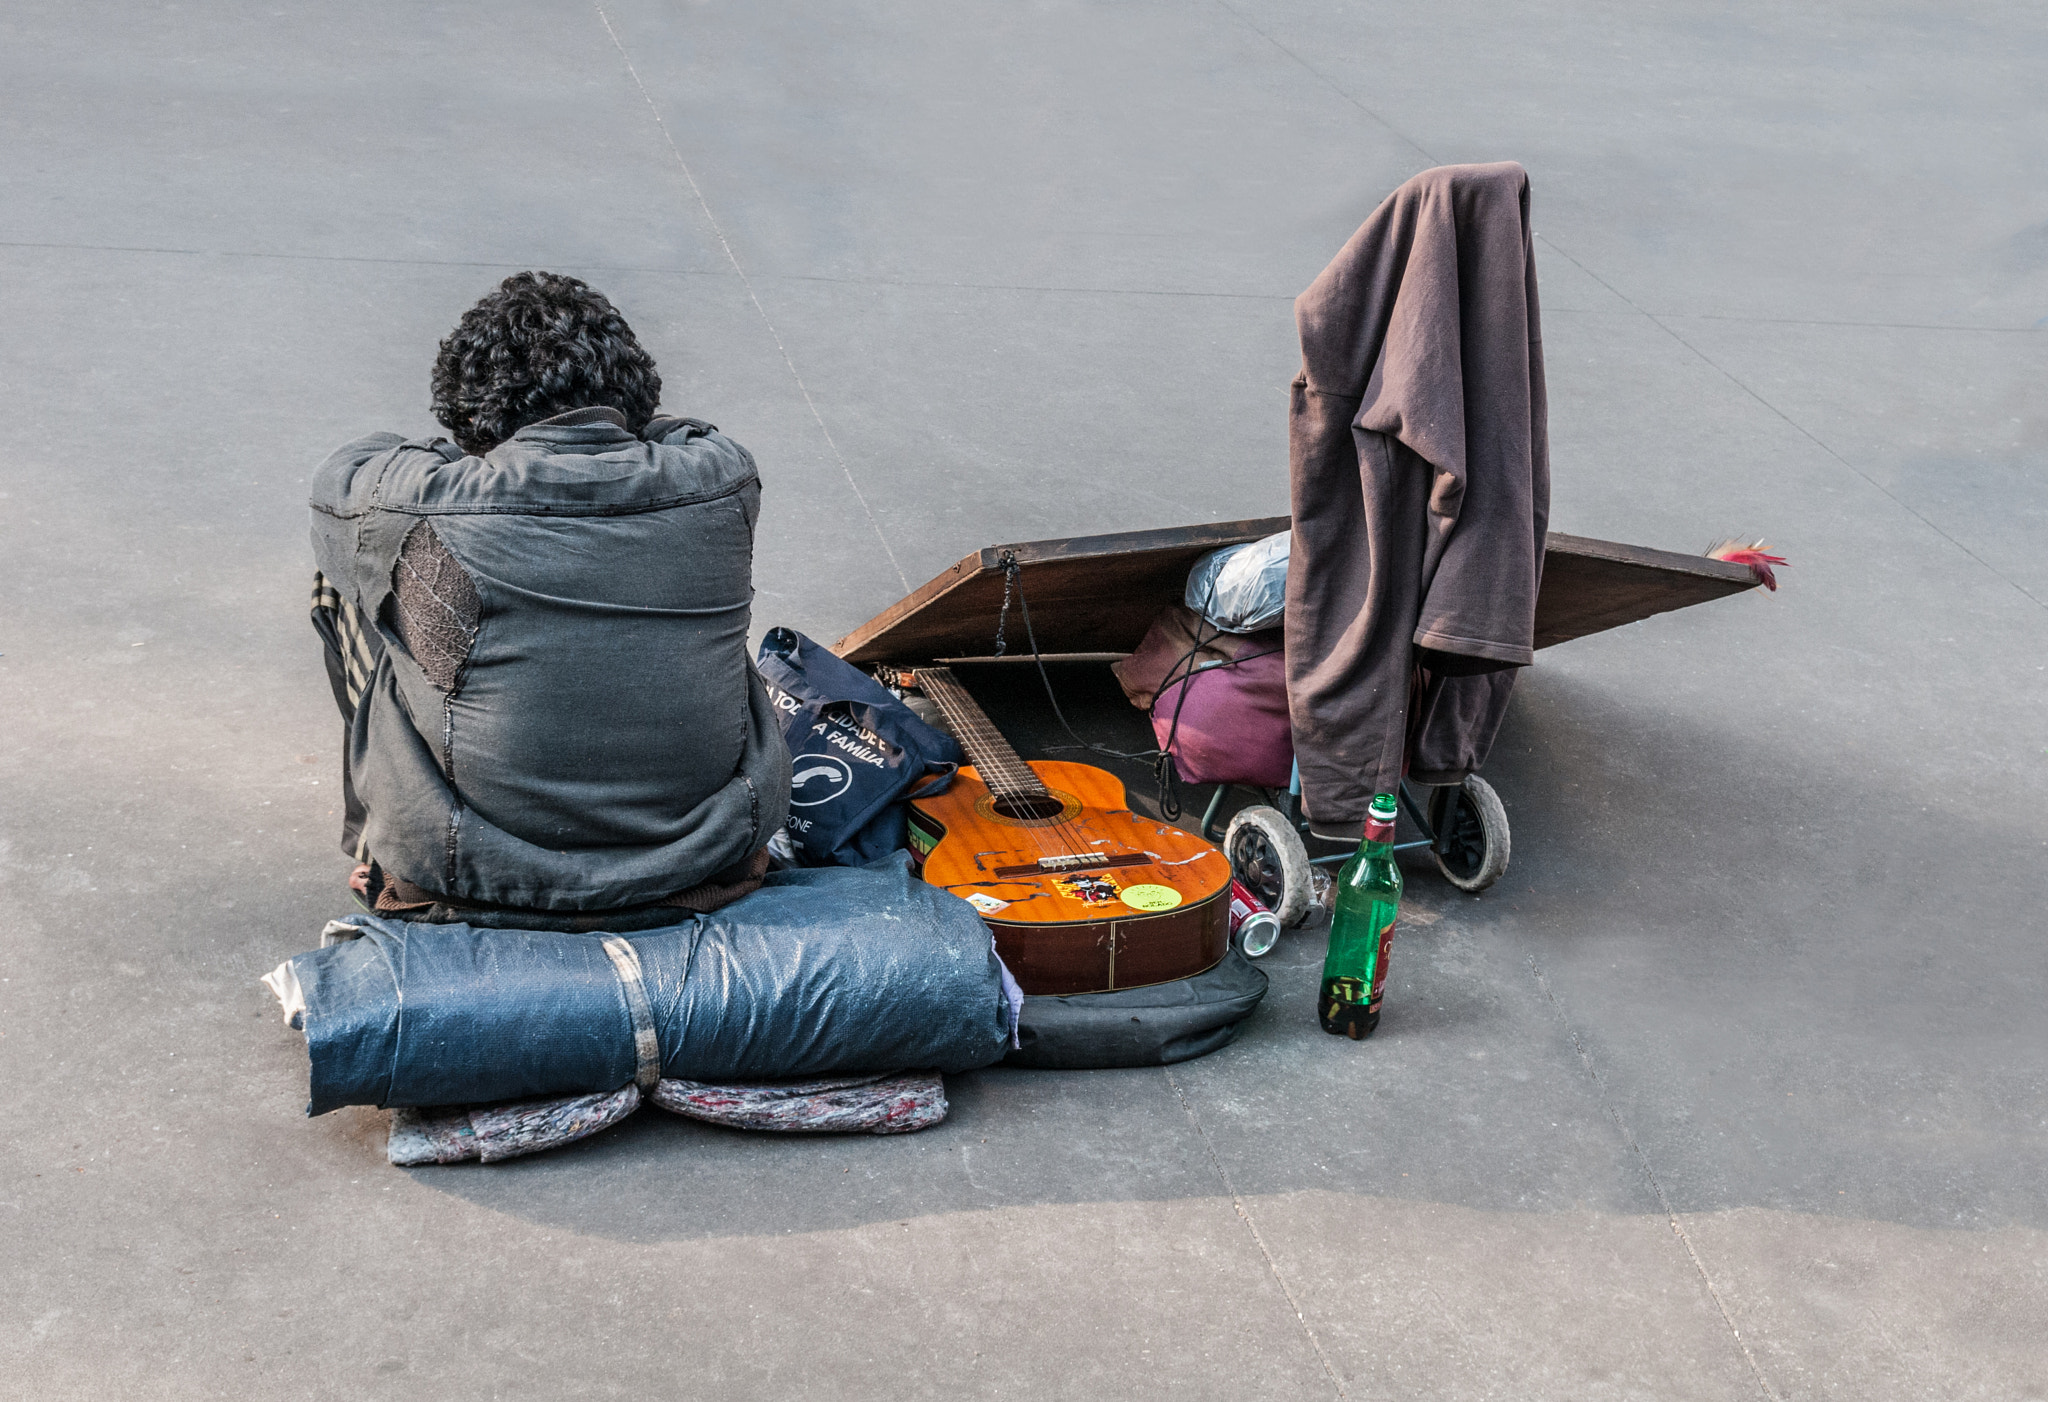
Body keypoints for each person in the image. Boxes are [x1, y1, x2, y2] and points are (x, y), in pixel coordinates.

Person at [308, 272, 791, 931]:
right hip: (706, 864)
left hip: (471, 879)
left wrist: (472, 450)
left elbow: (347, 470)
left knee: (358, 587)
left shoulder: (411, 499)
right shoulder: (722, 477)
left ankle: (377, 856)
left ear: (469, 416)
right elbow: (685, 433)